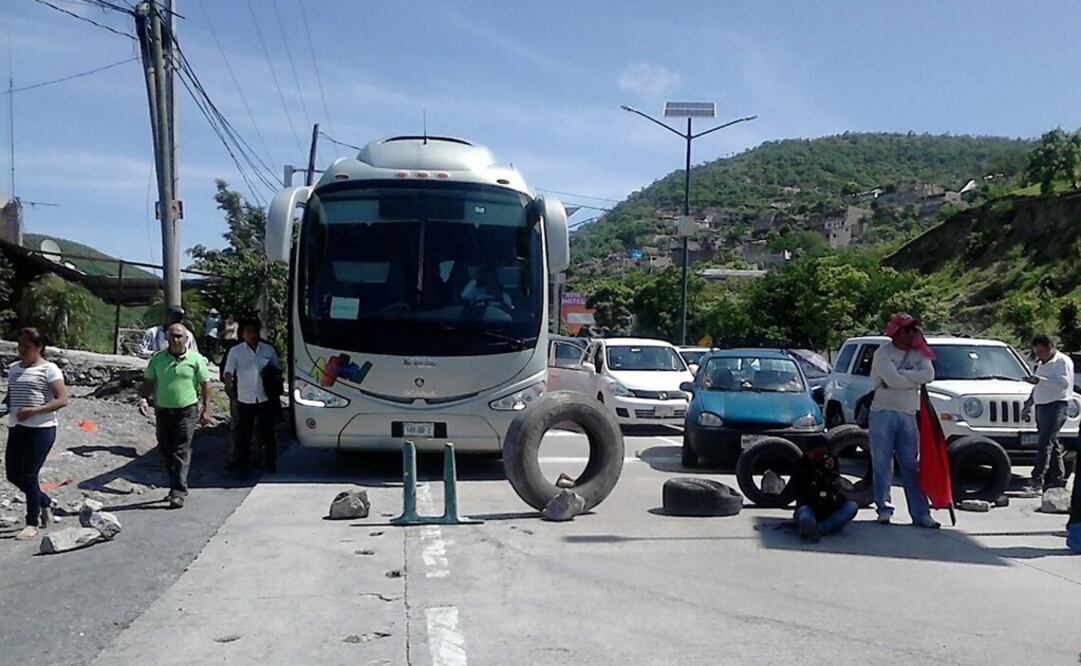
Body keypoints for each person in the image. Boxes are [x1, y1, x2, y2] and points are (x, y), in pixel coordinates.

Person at [868, 313, 940, 528]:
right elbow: (893, 380)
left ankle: (920, 514)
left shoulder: (919, 353)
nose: (911, 334)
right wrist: (910, 377)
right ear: (895, 332)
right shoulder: (883, 354)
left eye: (913, 330)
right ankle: (883, 508)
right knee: (882, 463)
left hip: (908, 414)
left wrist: (904, 377)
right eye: (907, 330)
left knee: (910, 466)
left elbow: (929, 374)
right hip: (882, 413)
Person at [3, 328, 68, 540]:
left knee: (30, 475)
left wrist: (33, 411)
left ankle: (32, 521)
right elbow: (10, 399)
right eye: (19, 345)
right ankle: (45, 502)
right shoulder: (14, 369)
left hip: (41, 429)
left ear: (38, 347)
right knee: (13, 474)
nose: (22, 350)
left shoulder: (50, 369)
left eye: (26, 346)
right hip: (17, 427)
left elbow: (61, 399)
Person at [138, 323, 212, 509]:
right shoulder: (158, 359)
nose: (176, 340)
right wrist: (144, 399)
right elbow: (148, 380)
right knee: (165, 449)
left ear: (186, 339)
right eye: (172, 336)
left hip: (187, 411)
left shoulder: (195, 359)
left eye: (179, 336)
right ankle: (176, 485)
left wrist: (206, 408)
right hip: (163, 411)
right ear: (167, 339)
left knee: (181, 449)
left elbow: (205, 384)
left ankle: (177, 492)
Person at [223, 317, 281, 477]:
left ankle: (270, 463)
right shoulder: (236, 351)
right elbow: (228, 371)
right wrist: (228, 386)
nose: (252, 335)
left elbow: (277, 369)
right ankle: (243, 468)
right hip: (245, 398)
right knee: (244, 434)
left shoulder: (268, 350)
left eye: (254, 331)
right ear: (242, 334)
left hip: (265, 398)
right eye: (248, 332)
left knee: (268, 433)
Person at [1021, 334, 1075, 495]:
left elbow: (1063, 383)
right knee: (1053, 444)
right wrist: (1028, 404)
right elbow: (1038, 386)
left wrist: (1040, 380)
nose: (1039, 356)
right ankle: (1058, 479)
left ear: (1050, 346)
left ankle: (1036, 481)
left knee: (1044, 443)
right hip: (1041, 407)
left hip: (1056, 406)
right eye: (1036, 353)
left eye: (1041, 352)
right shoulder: (1042, 363)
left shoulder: (1062, 362)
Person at [792, 446, 859, 542]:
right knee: (804, 514)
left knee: (852, 506)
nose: (821, 457)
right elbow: (796, 491)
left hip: (830, 509)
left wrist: (829, 471)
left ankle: (819, 529)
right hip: (809, 506)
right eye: (817, 454)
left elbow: (837, 488)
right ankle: (809, 526)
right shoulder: (802, 465)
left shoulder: (832, 466)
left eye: (824, 454)